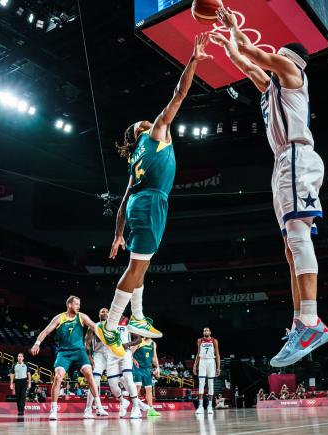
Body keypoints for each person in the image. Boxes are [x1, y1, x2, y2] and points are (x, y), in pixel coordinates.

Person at [208, 8, 328, 367]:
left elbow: (256, 55)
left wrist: (233, 26)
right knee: (289, 249)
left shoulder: (293, 73)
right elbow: (245, 63)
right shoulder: (271, 86)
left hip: (297, 155)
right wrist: (227, 42)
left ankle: (312, 321)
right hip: (283, 161)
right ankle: (300, 322)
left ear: (291, 59)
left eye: (279, 54)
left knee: (298, 237)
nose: (274, 59)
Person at [96, 33, 214, 357]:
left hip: (143, 205)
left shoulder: (136, 159)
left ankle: (137, 318)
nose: (145, 120)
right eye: (140, 124)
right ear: (140, 133)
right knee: (136, 269)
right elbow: (179, 94)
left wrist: (118, 235)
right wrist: (194, 60)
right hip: (149, 205)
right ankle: (110, 328)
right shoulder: (156, 133)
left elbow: (122, 202)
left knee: (142, 266)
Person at [30, 295, 108, 420]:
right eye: (76, 304)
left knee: (89, 373)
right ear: (69, 305)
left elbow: (95, 327)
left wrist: (109, 336)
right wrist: (37, 343)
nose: (79, 306)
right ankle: (54, 410)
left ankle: (99, 407)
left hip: (79, 352)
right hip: (64, 353)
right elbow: (45, 331)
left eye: (79, 304)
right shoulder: (59, 318)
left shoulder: (81, 316)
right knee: (58, 376)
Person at [105, 316, 147, 418]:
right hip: (112, 354)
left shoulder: (127, 321)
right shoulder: (108, 321)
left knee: (127, 377)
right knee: (112, 384)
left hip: (125, 353)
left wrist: (127, 344)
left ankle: (136, 407)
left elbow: (138, 339)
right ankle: (123, 401)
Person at [193, 327, 221, 414]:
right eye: (204, 330)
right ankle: (200, 406)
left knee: (211, 384)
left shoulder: (214, 341)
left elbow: (217, 354)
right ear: (203, 332)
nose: (206, 331)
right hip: (202, 361)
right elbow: (198, 353)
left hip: (211, 361)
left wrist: (218, 367)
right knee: (201, 384)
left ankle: (209, 406)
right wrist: (195, 365)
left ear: (210, 332)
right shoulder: (199, 340)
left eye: (207, 330)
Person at [131, 336, 161, 416]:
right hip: (137, 368)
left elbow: (154, 357)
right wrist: (133, 360)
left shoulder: (153, 344)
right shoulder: (139, 341)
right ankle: (135, 409)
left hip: (147, 369)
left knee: (149, 389)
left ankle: (150, 410)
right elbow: (129, 353)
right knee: (138, 387)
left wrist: (157, 367)